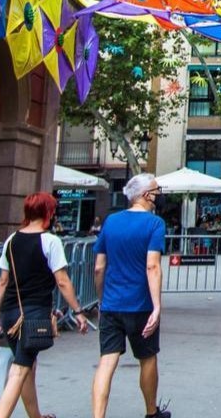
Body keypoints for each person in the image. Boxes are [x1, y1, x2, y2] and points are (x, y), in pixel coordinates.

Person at [0, 193, 89, 418]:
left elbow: (3, 281)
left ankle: (36, 416)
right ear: (48, 213)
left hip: (9, 313)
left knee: (26, 367)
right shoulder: (50, 241)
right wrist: (78, 311)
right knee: (19, 370)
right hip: (33, 316)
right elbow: (62, 280)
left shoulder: (11, 240)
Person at [91, 174, 170, 418]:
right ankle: (151, 411)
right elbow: (152, 266)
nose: (159, 194)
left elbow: (99, 267)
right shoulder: (154, 224)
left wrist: (102, 297)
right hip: (141, 304)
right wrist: (157, 306)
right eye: (156, 190)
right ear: (146, 195)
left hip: (112, 303)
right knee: (147, 358)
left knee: (107, 361)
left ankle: (98, 416)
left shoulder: (111, 222)